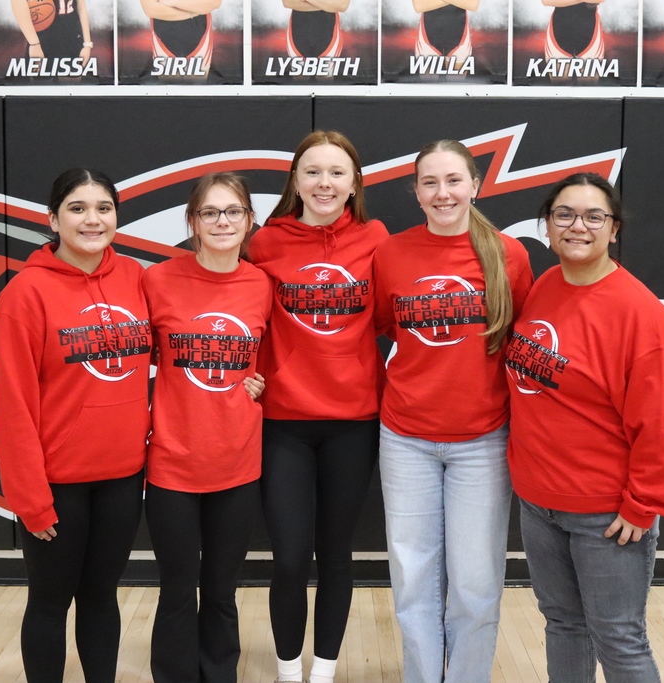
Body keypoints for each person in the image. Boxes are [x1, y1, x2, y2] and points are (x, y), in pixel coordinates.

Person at [506, 172, 664, 682]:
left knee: (619, 638)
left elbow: (663, 424)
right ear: (547, 226)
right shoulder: (544, 286)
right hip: (539, 503)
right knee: (563, 623)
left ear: (614, 230)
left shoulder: (640, 314)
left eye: (593, 216)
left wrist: (643, 502)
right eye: (564, 214)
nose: (577, 226)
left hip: (605, 514)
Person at [372, 139, 533, 683]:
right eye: (430, 183)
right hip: (406, 438)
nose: (443, 193)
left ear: (475, 185)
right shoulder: (391, 254)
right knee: (413, 578)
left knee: (475, 582)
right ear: (415, 191)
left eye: (453, 180)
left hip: (483, 440)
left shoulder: (509, 255)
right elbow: (384, 331)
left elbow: (521, 343)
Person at [0, 168, 150, 683]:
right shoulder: (26, 293)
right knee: (50, 602)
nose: (92, 219)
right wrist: (29, 497)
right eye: (78, 208)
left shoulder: (136, 279)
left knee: (102, 598)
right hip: (57, 484)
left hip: (123, 476)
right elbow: (10, 405)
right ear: (53, 218)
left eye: (103, 207)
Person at [248, 130, 388, 683]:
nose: (324, 183)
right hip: (283, 423)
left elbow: (390, 319)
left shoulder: (377, 240)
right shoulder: (264, 243)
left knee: (335, 555)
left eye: (336, 172)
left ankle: (324, 670)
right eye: (312, 172)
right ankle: (287, 669)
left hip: (353, 423)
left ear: (354, 183)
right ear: (295, 181)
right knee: (287, 559)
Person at [143, 172, 272, 683]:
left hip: (237, 464)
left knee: (220, 590)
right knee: (177, 591)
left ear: (249, 221)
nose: (222, 222)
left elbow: (272, 362)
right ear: (191, 222)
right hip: (173, 463)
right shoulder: (156, 281)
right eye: (210, 212)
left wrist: (258, 385)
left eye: (233, 212)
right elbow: (131, 364)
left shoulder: (262, 285)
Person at [141, 0, 220, 76]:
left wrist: (173, 2)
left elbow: (214, 2)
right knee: (167, 86)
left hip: (198, 32)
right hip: (164, 34)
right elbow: (150, 9)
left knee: (198, 85)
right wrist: (194, 11)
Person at [11, 0, 93, 63]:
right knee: (41, 83)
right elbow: (17, 3)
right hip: (42, 42)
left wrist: (87, 44)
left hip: (71, 38)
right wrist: (34, 44)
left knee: (71, 83)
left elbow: (81, 7)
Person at [413, 0, 477, 69]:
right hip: (428, 32)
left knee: (456, 79)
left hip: (459, 33)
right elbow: (418, 6)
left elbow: (473, 5)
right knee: (428, 79)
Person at [283, 0, 349, 60]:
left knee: (325, 72)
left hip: (328, 33)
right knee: (298, 72)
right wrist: (328, 5)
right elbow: (287, 2)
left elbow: (342, 6)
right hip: (297, 33)